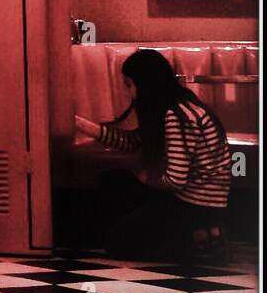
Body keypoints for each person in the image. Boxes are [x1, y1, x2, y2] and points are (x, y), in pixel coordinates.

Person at [74, 48, 232, 264]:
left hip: (193, 204)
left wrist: (142, 177)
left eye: (129, 85)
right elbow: (131, 142)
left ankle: (193, 240)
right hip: (196, 201)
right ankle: (199, 234)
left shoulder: (176, 116)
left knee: (117, 243)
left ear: (145, 84)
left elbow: (175, 180)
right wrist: (85, 126)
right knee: (113, 183)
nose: (128, 93)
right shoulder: (171, 107)